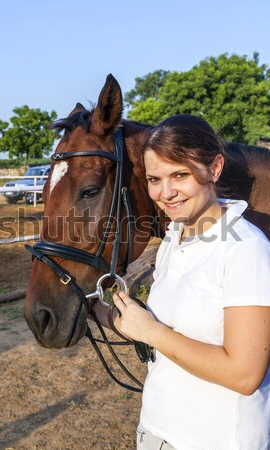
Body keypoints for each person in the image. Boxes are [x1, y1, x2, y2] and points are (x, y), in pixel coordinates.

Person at [113, 114, 270, 450]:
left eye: (179, 175)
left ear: (214, 169)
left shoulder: (247, 248)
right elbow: (169, 331)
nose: (165, 193)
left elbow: (244, 375)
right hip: (156, 432)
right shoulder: (174, 237)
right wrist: (102, 310)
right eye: (155, 179)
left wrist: (150, 332)